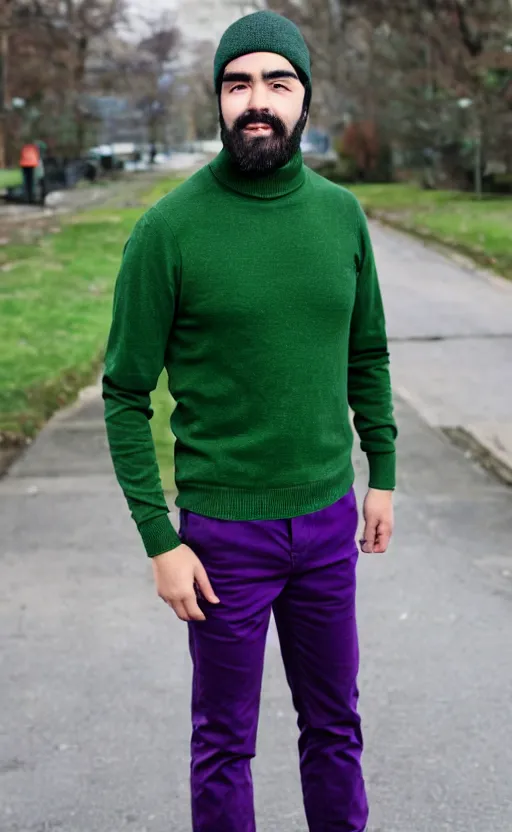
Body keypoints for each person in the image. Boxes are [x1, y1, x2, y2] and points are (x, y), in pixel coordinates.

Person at [103, 11, 397, 832]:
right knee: (225, 743)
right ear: (219, 99)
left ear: (305, 98)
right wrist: (161, 542)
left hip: (328, 520)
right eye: (239, 84)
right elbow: (124, 393)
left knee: (336, 728)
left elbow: (366, 354)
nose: (257, 101)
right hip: (223, 540)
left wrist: (385, 477)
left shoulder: (342, 216)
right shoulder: (170, 230)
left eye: (277, 82)